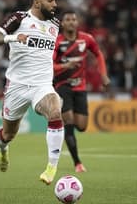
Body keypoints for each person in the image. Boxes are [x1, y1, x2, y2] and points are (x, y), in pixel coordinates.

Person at [0, 0, 64, 185]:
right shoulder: (19, 18)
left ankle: (51, 167)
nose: (55, 4)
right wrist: (13, 38)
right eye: (51, 0)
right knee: (9, 134)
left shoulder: (55, 25)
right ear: (37, 2)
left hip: (42, 85)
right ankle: (2, 147)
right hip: (17, 86)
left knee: (55, 112)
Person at [53, 10, 110, 173]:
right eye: (68, 19)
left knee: (82, 127)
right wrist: (64, 66)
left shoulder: (87, 39)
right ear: (62, 23)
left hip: (80, 88)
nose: (71, 22)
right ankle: (77, 163)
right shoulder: (57, 42)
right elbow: (49, 66)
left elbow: (98, 54)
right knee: (69, 122)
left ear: (77, 23)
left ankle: (67, 129)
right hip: (62, 87)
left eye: (74, 19)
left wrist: (103, 75)